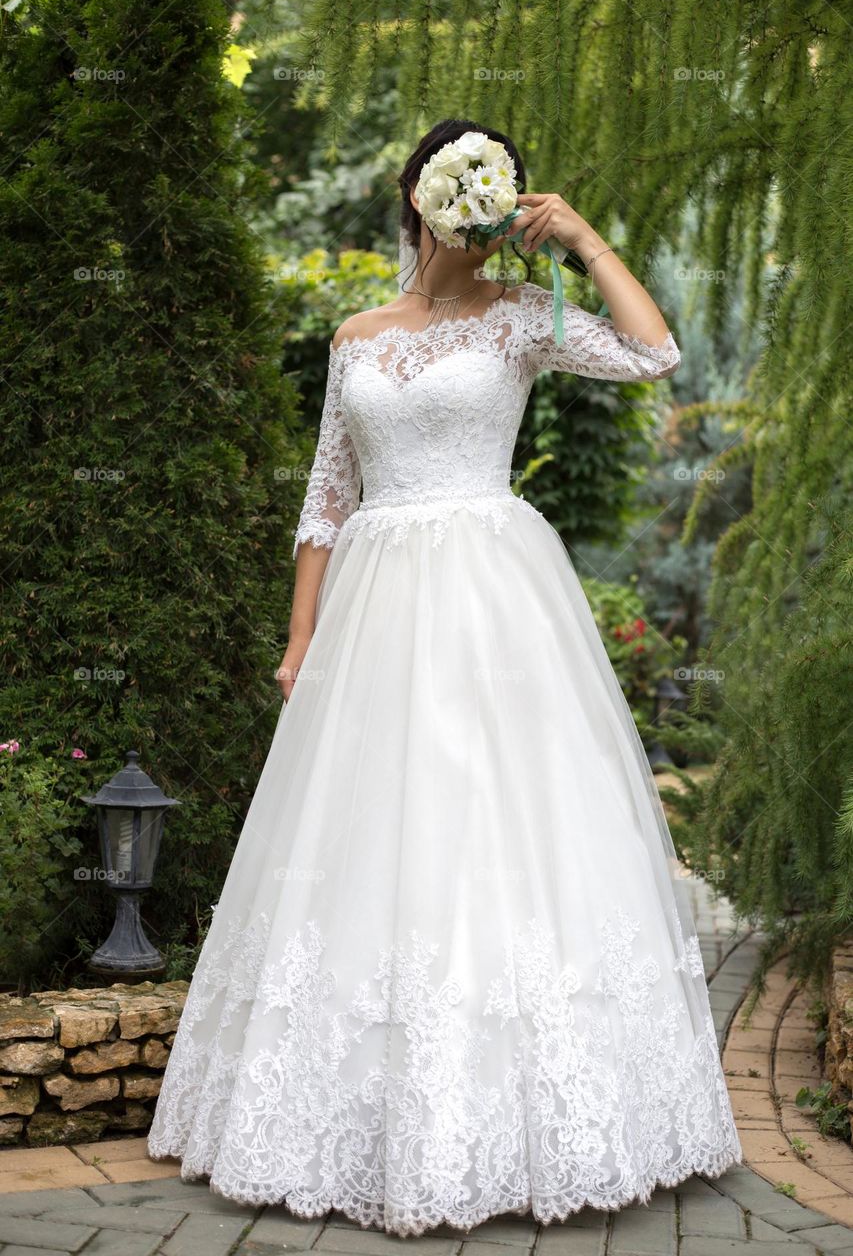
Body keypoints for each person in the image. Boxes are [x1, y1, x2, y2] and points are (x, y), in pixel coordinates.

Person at [147, 118, 742, 1235]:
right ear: (414, 195)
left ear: (499, 200)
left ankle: (536, 1122)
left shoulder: (526, 317)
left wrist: (578, 238)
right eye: (448, 182)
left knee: (502, 826)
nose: (462, 203)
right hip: (375, 605)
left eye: (486, 185)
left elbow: (655, 353)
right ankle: (360, 1119)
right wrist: (296, 641)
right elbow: (325, 499)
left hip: (494, 595)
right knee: (371, 835)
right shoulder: (355, 336)